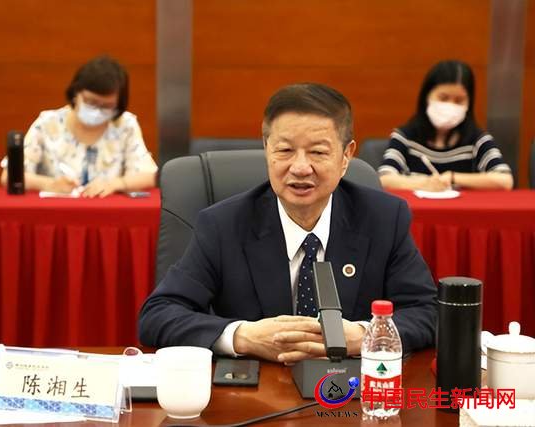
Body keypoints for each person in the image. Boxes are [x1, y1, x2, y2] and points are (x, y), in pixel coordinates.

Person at [139, 83, 437, 364]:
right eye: (285, 150)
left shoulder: (383, 218)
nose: (300, 168)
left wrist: (365, 336)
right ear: (266, 149)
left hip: (350, 389)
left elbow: (428, 312)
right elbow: (158, 315)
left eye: (318, 152)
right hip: (256, 389)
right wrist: (243, 336)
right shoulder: (223, 225)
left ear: (346, 156)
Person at [0, 55, 157, 197]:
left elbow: (149, 176)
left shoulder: (125, 125)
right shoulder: (48, 122)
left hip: (108, 212)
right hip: (56, 212)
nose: (97, 111)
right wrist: (49, 184)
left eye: (107, 106)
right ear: (76, 93)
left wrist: (115, 184)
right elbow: (9, 177)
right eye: (91, 102)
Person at [378, 60, 513, 191]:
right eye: (443, 98)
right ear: (427, 96)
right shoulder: (405, 137)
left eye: (459, 100)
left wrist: (452, 177)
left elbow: (505, 180)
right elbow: (384, 178)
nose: (450, 105)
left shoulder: (478, 140)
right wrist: (424, 183)